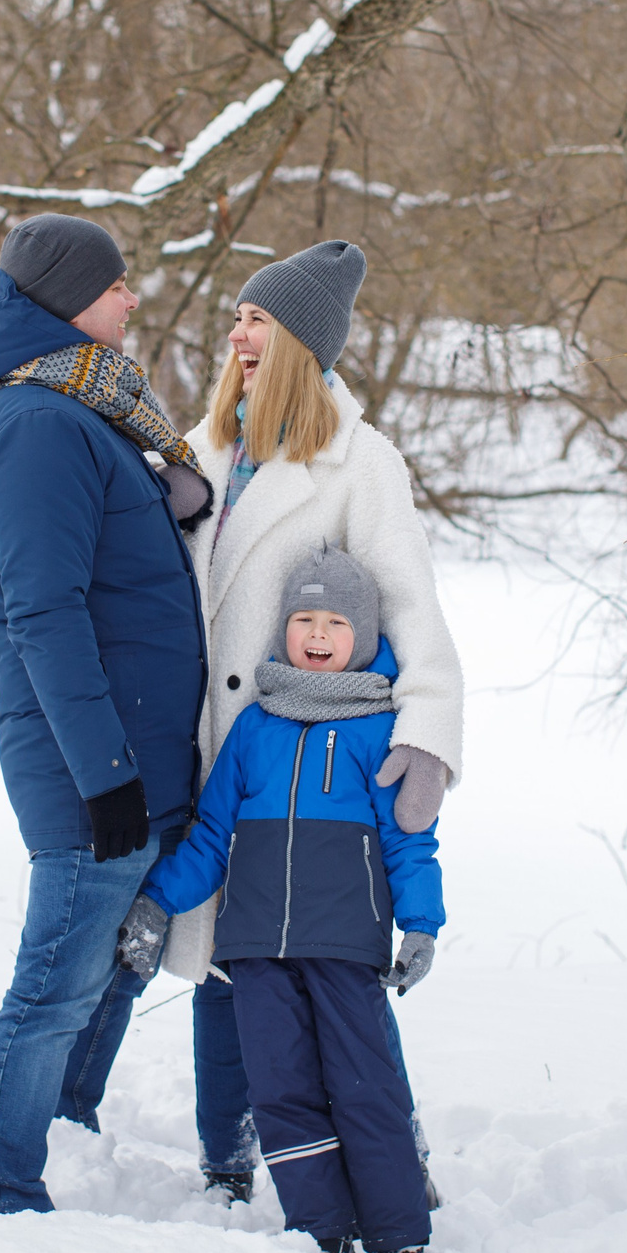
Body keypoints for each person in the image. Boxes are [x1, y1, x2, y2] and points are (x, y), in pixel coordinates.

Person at [169, 240, 464, 1200]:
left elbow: (409, 603)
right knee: (221, 960)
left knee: (330, 988)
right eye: (237, 317)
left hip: (309, 768)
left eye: (256, 319)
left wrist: (425, 729)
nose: (237, 333)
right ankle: (227, 1156)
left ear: (298, 339)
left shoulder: (359, 463)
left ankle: (387, 1157)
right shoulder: (204, 445)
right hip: (214, 754)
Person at [0, 212, 212, 1215]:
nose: (131, 296)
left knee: (115, 974)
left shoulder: (95, 412)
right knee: (59, 983)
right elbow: (43, 613)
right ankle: (7, 1183)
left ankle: (67, 1136)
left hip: (142, 757)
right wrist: (105, 775)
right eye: (116, 283)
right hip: (89, 764)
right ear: (67, 298)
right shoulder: (36, 426)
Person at [117, 543, 442, 1253]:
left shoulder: (378, 732)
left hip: (345, 947)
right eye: (305, 618)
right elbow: (209, 835)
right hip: (257, 950)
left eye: (335, 621)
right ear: (283, 627)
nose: (319, 634)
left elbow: (412, 842)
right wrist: (156, 904)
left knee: (365, 1087)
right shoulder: (254, 729)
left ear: (361, 634)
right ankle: (321, 1231)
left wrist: (422, 925)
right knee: (280, 1090)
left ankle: (398, 1236)